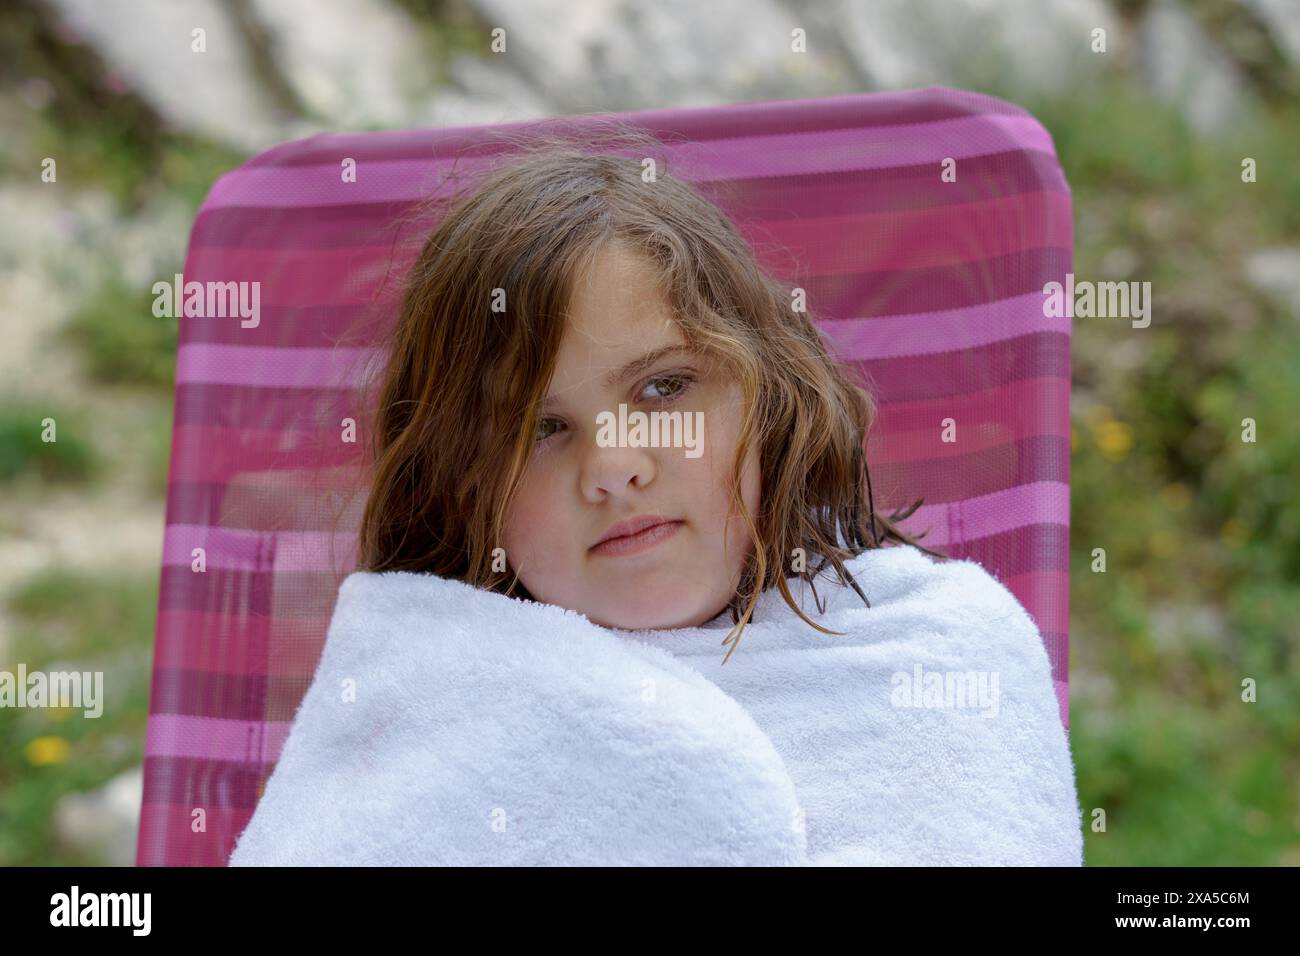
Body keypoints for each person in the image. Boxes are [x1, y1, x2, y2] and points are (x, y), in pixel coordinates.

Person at [228, 132, 1083, 866]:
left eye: (665, 388)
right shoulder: (418, 694)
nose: (614, 465)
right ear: (460, 487)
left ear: (769, 395)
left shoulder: (933, 656)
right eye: (537, 429)